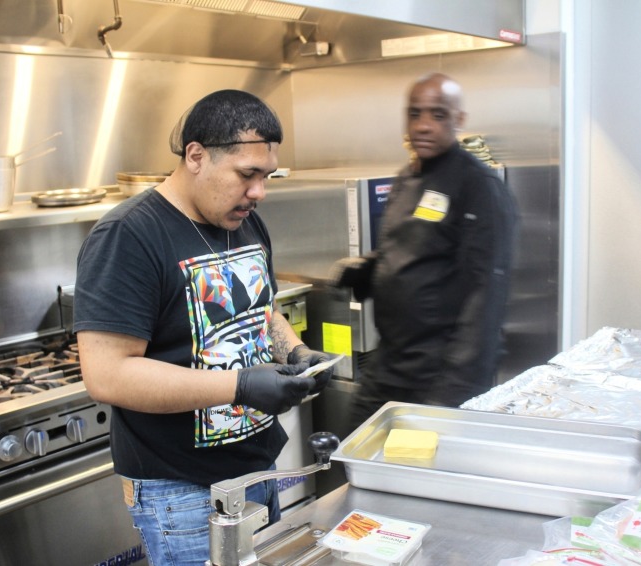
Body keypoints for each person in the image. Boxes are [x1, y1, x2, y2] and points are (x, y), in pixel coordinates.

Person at [73, 89, 334, 566]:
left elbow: (263, 309)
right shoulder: (129, 236)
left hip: (257, 469)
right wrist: (239, 385)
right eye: (247, 175)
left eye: (266, 176)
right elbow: (107, 374)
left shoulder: (244, 221)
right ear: (196, 155)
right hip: (184, 491)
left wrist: (295, 352)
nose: (259, 192)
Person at [331, 72, 518, 432]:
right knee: (353, 455)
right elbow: (412, 252)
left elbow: (485, 298)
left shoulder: (478, 188)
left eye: (437, 114)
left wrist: (448, 399)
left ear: (458, 120)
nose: (424, 126)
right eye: (415, 114)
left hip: (441, 376)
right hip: (390, 365)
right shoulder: (406, 179)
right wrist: (368, 270)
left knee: (417, 478)